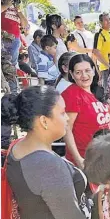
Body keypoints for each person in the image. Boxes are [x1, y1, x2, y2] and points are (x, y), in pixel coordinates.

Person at [2, 86, 89, 219]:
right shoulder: (48, 165)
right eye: (62, 113)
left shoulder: (18, 146)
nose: (67, 118)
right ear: (44, 121)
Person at [62, 54, 110, 168]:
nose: (84, 76)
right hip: (86, 160)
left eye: (87, 70)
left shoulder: (95, 92)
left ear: (94, 71)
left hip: (104, 156)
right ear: (72, 75)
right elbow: (67, 129)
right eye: (78, 72)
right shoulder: (72, 94)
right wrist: (78, 159)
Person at [1, 0, 28, 66]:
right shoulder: (2, 7)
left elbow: (25, 24)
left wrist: (18, 10)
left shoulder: (17, 11)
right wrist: (6, 5)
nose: (12, 0)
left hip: (15, 40)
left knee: (12, 64)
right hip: (4, 38)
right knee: (3, 61)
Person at [93, 12, 110, 91]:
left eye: (109, 19)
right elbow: (96, 52)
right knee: (108, 90)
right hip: (106, 68)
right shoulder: (99, 34)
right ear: (101, 22)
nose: (109, 21)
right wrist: (108, 64)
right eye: (106, 20)